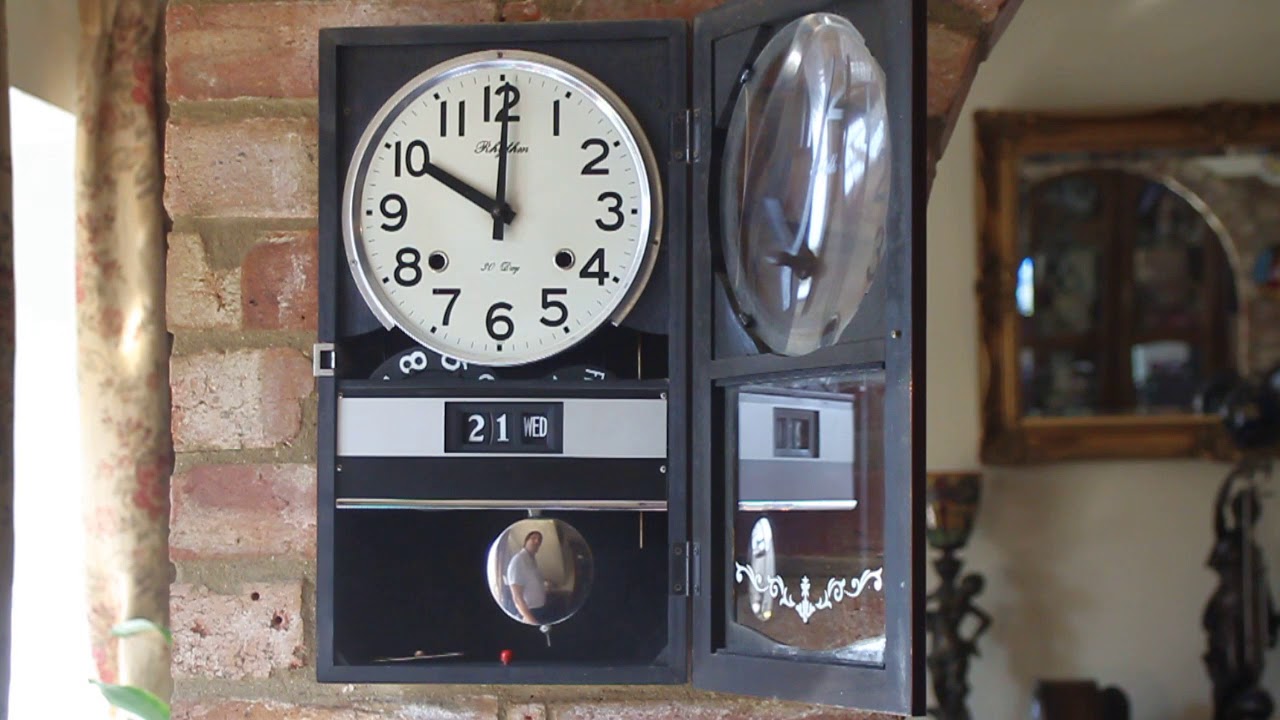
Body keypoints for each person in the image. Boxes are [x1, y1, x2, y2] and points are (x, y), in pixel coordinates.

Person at [506, 530, 549, 625]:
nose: (537, 541)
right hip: (529, 613)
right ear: (526, 541)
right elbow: (517, 597)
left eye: (539, 540)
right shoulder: (518, 560)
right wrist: (532, 621)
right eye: (533, 538)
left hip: (540, 610)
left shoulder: (532, 560)